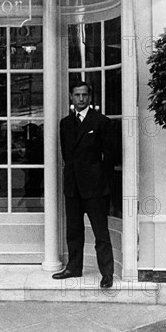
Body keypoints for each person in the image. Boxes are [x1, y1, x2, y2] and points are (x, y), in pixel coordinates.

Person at [52, 81, 115, 288]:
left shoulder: (101, 122)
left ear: (90, 97)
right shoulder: (65, 123)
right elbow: (67, 156)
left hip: (95, 187)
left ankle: (107, 273)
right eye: (77, 95)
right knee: (74, 230)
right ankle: (74, 267)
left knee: (101, 232)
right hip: (73, 185)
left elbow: (110, 156)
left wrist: (100, 179)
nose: (81, 99)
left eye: (84, 95)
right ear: (71, 97)